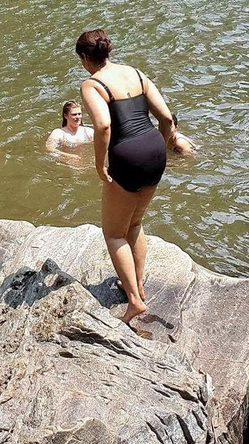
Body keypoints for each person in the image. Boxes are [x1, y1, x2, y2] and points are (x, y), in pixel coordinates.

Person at [76, 29, 174, 324]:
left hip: (127, 155)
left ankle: (133, 301)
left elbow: (104, 126)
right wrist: (163, 146)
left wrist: (98, 164)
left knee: (114, 233)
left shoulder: (92, 85)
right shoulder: (135, 73)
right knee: (134, 222)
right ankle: (137, 286)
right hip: (155, 151)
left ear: (84, 58)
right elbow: (167, 118)